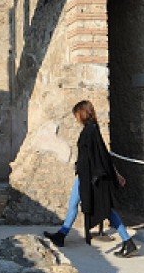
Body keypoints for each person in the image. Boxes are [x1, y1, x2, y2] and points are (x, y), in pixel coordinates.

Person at [43, 100, 137, 257]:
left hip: (92, 179)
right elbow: (102, 154)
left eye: (77, 114)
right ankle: (61, 235)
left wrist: (115, 174)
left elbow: (102, 156)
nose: (76, 118)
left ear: (82, 113)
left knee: (107, 210)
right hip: (84, 176)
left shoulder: (91, 131)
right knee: (73, 203)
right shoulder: (90, 130)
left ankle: (128, 242)